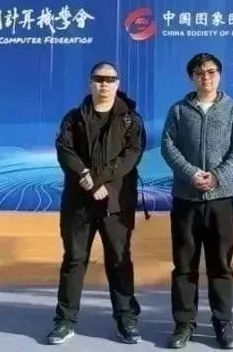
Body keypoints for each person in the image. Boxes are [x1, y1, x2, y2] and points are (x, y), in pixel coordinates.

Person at [46, 62, 146, 345]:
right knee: (74, 260)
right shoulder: (74, 117)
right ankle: (65, 320)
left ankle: (126, 318)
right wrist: (87, 180)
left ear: (117, 83)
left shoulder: (130, 120)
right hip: (78, 203)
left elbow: (131, 156)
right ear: (90, 83)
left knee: (119, 260)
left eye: (110, 79)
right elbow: (65, 151)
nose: (104, 84)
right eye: (99, 79)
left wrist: (97, 179)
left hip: (116, 202)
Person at [160, 52, 233, 349]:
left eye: (211, 72)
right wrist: (190, 174)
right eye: (199, 73)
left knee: (220, 264)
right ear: (191, 78)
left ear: (219, 75)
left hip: (222, 199)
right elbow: (168, 146)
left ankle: (223, 324)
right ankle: (183, 324)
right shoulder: (178, 110)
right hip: (186, 198)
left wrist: (217, 176)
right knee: (184, 265)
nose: (206, 77)